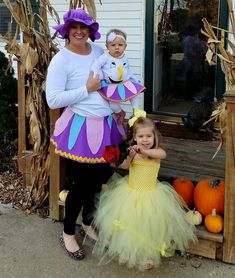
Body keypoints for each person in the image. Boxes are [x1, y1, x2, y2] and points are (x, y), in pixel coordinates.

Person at [45, 8, 126, 260]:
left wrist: (120, 107)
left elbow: (114, 80)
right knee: (80, 184)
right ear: (67, 30)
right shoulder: (61, 60)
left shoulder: (101, 51)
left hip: (106, 125)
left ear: (90, 31)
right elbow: (53, 99)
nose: (80, 31)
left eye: (84, 27)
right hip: (79, 129)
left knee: (97, 178)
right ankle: (68, 232)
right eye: (74, 27)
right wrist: (85, 88)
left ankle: (88, 222)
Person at [91, 108, 197, 270]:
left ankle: (147, 255)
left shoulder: (155, 153)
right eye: (141, 136)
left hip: (151, 196)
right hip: (130, 193)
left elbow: (163, 154)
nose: (145, 139)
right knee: (128, 226)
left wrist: (144, 151)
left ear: (155, 137)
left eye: (149, 136)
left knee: (149, 228)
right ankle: (125, 250)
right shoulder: (134, 153)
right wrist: (131, 156)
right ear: (134, 137)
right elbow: (125, 167)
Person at [91, 28, 145, 113]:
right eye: (113, 45)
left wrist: (133, 77)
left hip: (125, 82)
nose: (117, 48)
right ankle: (119, 111)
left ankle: (136, 110)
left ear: (125, 46)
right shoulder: (105, 57)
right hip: (111, 85)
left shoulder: (125, 57)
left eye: (120, 45)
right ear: (107, 46)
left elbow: (127, 69)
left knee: (134, 94)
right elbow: (96, 64)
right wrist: (96, 75)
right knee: (113, 102)